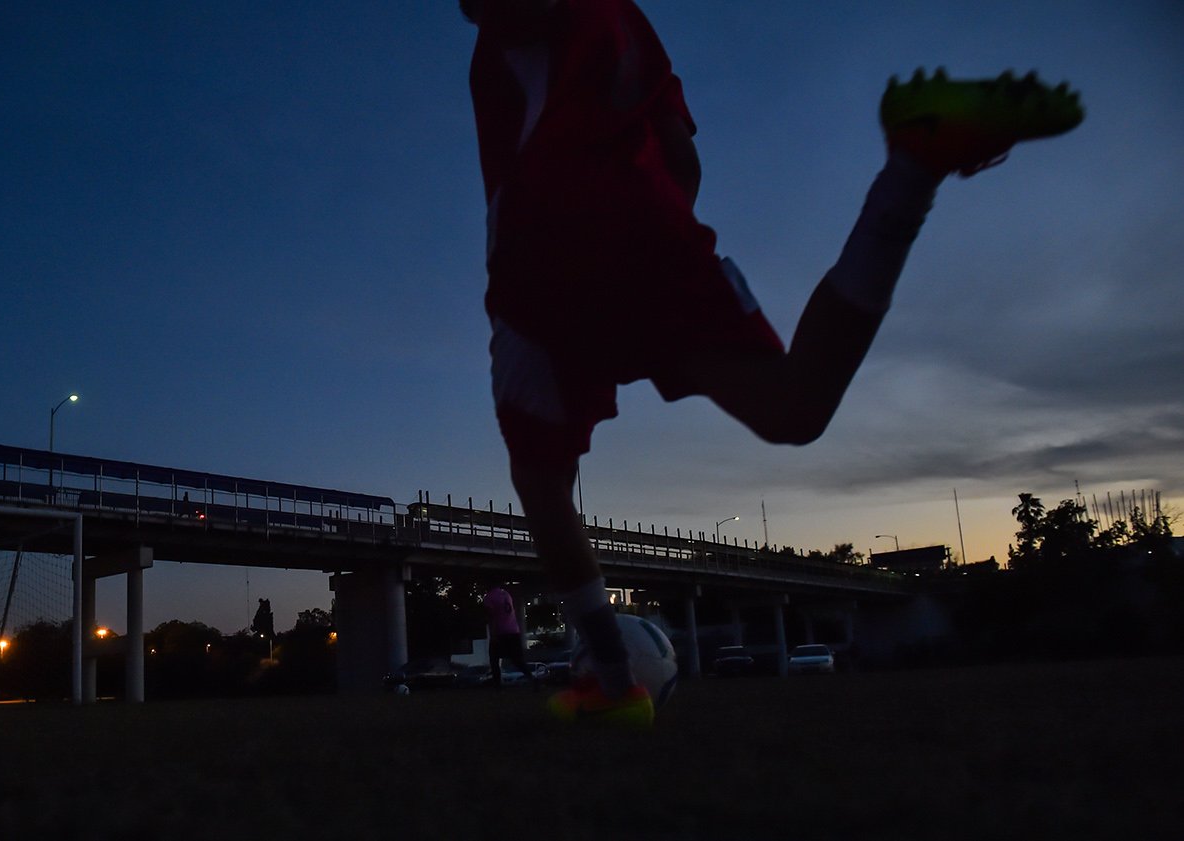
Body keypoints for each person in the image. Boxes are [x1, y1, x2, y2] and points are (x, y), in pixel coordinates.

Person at [460, 0, 1081, 725]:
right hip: (636, 234)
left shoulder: (528, 40)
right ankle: (911, 168)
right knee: (794, 407)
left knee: (541, 478)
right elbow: (682, 156)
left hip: (536, 270)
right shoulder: (629, 26)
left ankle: (615, 674)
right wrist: (657, 241)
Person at [482, 583, 534, 687]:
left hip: (501, 632)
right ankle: (532, 679)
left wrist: (493, 634)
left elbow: (491, 617)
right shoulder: (506, 594)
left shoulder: (489, 597)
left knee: (494, 659)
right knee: (517, 660)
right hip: (514, 630)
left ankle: (498, 685)